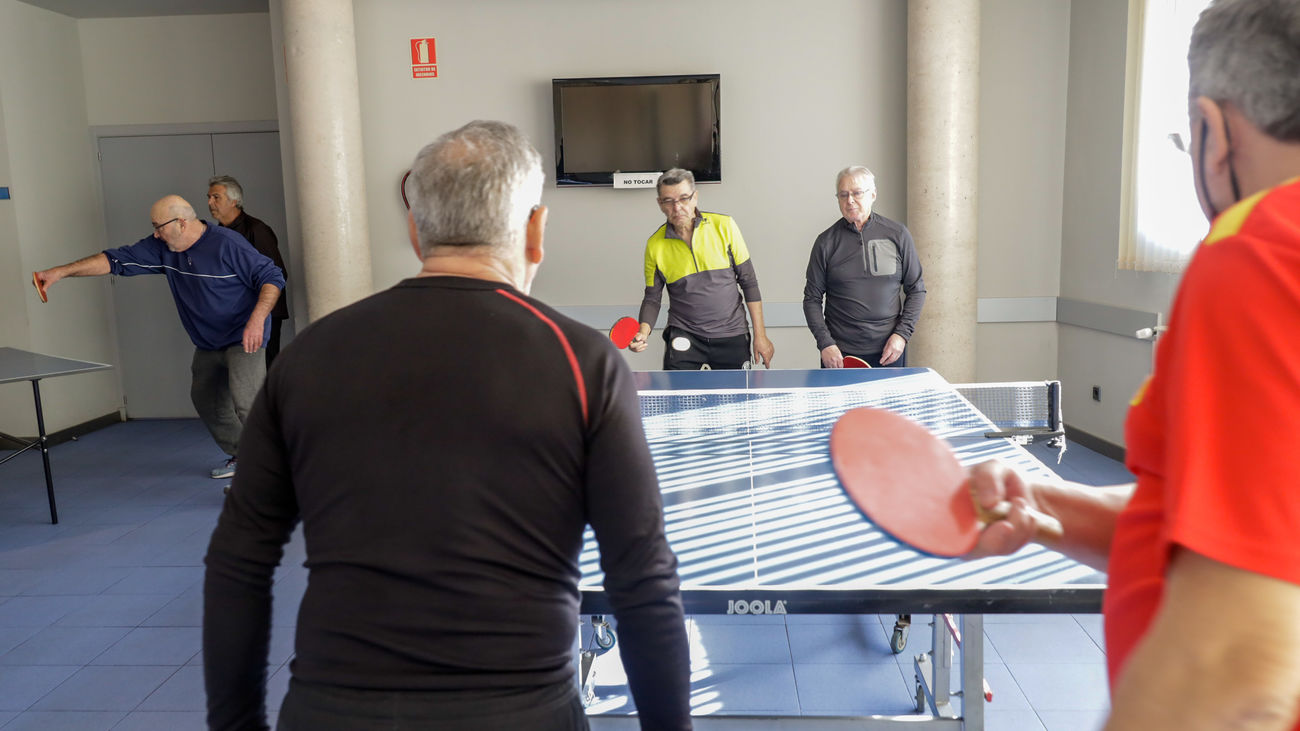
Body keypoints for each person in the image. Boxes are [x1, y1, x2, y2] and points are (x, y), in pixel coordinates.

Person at [202, 121, 692, 731]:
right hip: (523, 714)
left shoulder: (310, 355)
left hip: (332, 711)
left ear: (415, 230)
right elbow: (641, 579)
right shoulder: (583, 363)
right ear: (536, 231)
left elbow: (238, 561)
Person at [968, 1, 1300, 727]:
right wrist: (1044, 505)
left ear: (1214, 133)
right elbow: (1227, 525)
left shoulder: (1260, 252)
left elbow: (1232, 662)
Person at [33, 196, 283, 484]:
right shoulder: (163, 247)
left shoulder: (227, 244)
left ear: (181, 223)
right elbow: (113, 260)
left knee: (247, 402)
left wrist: (256, 320)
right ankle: (244, 455)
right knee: (206, 400)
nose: (155, 234)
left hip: (244, 335)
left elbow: (272, 277)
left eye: (158, 226)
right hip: (208, 341)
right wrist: (61, 272)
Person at [629, 168, 775, 370]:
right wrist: (643, 333)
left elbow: (749, 283)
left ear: (695, 197)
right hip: (684, 335)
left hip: (732, 334)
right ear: (660, 204)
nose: (677, 207)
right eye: (668, 201)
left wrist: (761, 335)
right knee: (679, 392)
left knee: (736, 392)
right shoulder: (655, 245)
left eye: (684, 198)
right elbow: (652, 298)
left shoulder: (725, 226)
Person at [803, 166, 925, 368]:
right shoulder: (825, 242)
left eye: (857, 193)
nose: (850, 200)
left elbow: (917, 290)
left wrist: (902, 335)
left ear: (873, 194)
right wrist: (825, 344)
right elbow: (811, 299)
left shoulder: (898, 234)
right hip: (839, 356)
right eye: (843, 195)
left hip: (890, 352)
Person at [208, 175, 290, 367]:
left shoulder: (256, 229)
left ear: (234, 201)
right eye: (209, 197)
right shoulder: (217, 234)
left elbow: (277, 274)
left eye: (216, 197)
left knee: (263, 369)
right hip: (233, 315)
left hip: (263, 315)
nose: (210, 202)